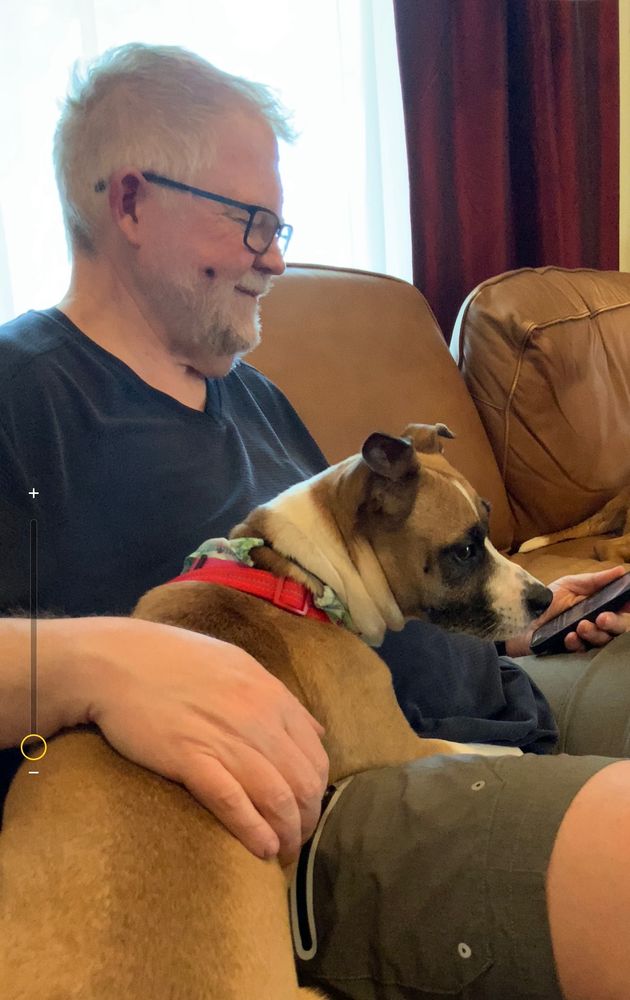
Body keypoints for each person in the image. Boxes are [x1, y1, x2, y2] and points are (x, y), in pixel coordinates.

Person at [1, 42, 630, 1000]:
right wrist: (95, 664)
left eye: (279, 223)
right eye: (251, 223)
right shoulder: (22, 392)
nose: (278, 257)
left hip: (507, 694)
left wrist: (526, 616)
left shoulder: (252, 397)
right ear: (129, 202)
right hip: (324, 801)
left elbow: (378, 585)